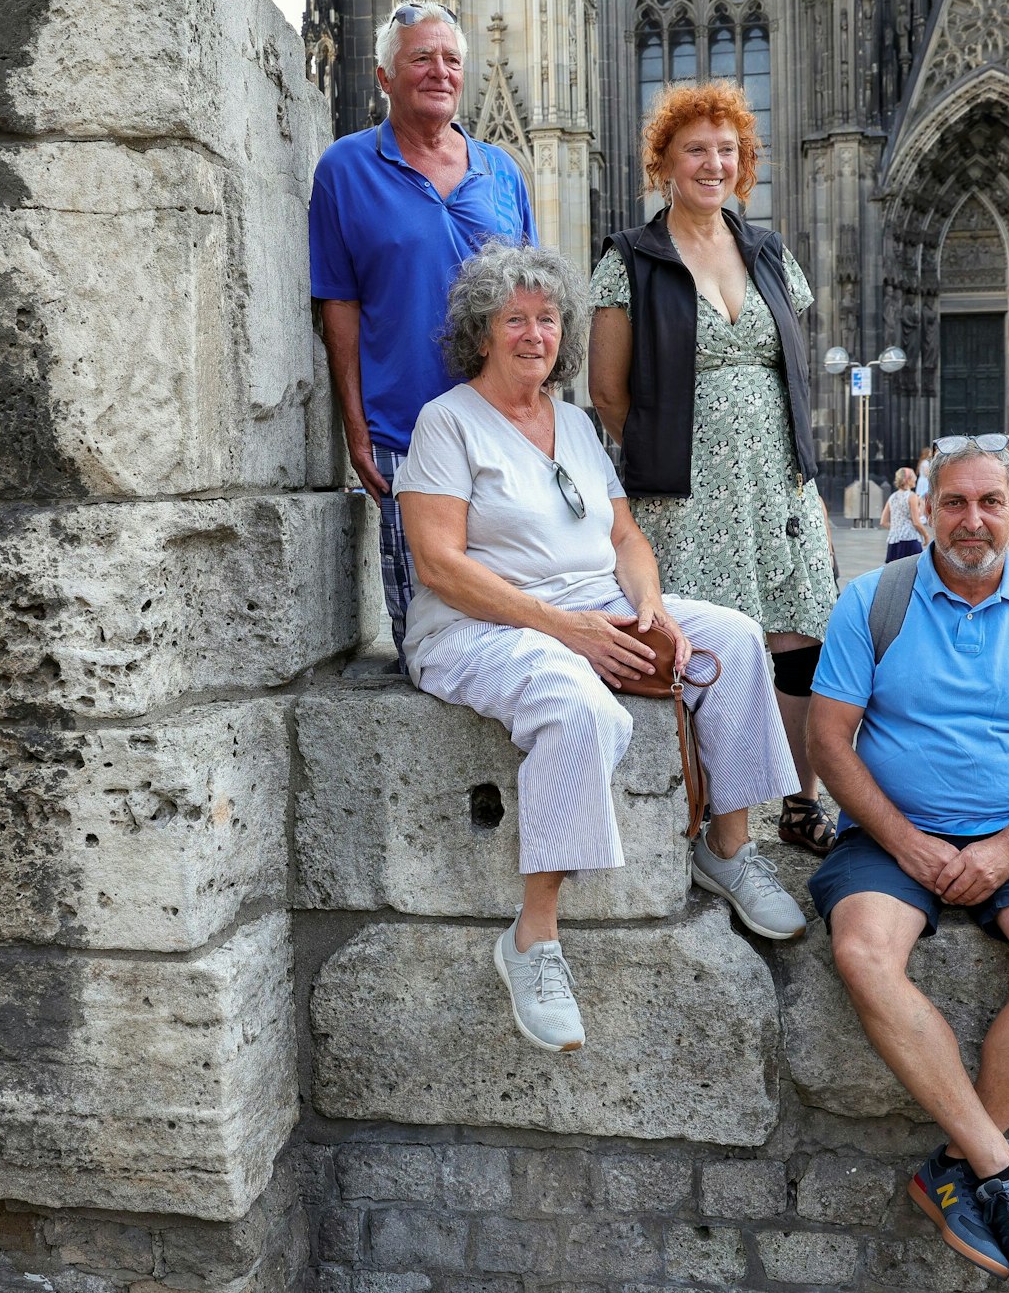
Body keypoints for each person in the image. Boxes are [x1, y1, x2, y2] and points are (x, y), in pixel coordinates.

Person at [396, 241, 802, 1053]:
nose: (534, 334)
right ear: (482, 334)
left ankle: (727, 848)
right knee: (577, 705)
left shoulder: (576, 424)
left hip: (596, 601)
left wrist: (649, 607)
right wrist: (564, 629)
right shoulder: (446, 423)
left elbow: (624, 535)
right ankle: (533, 939)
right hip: (481, 625)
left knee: (736, 637)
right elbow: (438, 564)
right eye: (514, 319)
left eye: (548, 319)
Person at [808, 434, 1009, 1293]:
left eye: (989, 503)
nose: (971, 520)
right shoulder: (874, 601)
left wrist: (1008, 849)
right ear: (925, 511)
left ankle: (955, 1165)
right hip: (888, 837)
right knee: (863, 951)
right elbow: (829, 740)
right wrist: (908, 842)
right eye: (953, 502)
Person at [587, 81, 842, 856]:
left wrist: (807, 483)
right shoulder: (630, 259)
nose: (714, 162)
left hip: (778, 485)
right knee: (704, 649)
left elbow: (788, 370)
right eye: (696, 148)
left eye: (727, 149)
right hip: (684, 496)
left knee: (799, 640)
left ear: (745, 162)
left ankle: (799, 802)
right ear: (663, 161)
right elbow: (606, 392)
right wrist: (677, 450)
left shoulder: (767, 252)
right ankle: (704, 813)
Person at [309, 0, 538, 668]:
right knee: (427, 629)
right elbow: (339, 306)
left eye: (450, 60)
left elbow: (533, 302)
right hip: (402, 438)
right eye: (420, 58)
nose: (440, 71)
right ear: (383, 77)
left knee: (518, 610)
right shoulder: (344, 170)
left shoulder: (502, 172)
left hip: (502, 432)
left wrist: (542, 413)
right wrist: (354, 428)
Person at [882, 467, 927, 562]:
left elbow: (884, 522)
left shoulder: (892, 497)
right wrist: (926, 535)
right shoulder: (911, 496)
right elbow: (916, 522)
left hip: (893, 540)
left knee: (894, 572)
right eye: (914, 476)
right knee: (914, 570)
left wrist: (897, 528)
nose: (916, 478)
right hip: (910, 539)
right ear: (908, 480)